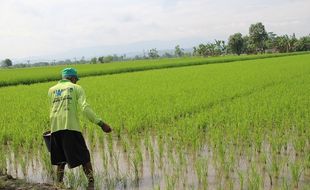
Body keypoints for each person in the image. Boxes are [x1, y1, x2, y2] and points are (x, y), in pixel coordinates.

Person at [48, 68, 111, 189]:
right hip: (71, 128)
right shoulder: (76, 88)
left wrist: (53, 128)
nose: (76, 81)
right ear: (72, 78)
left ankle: (58, 185)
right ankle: (92, 184)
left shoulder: (51, 90)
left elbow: (53, 110)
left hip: (55, 128)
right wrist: (101, 123)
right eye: (75, 79)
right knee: (84, 157)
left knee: (61, 160)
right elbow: (85, 108)